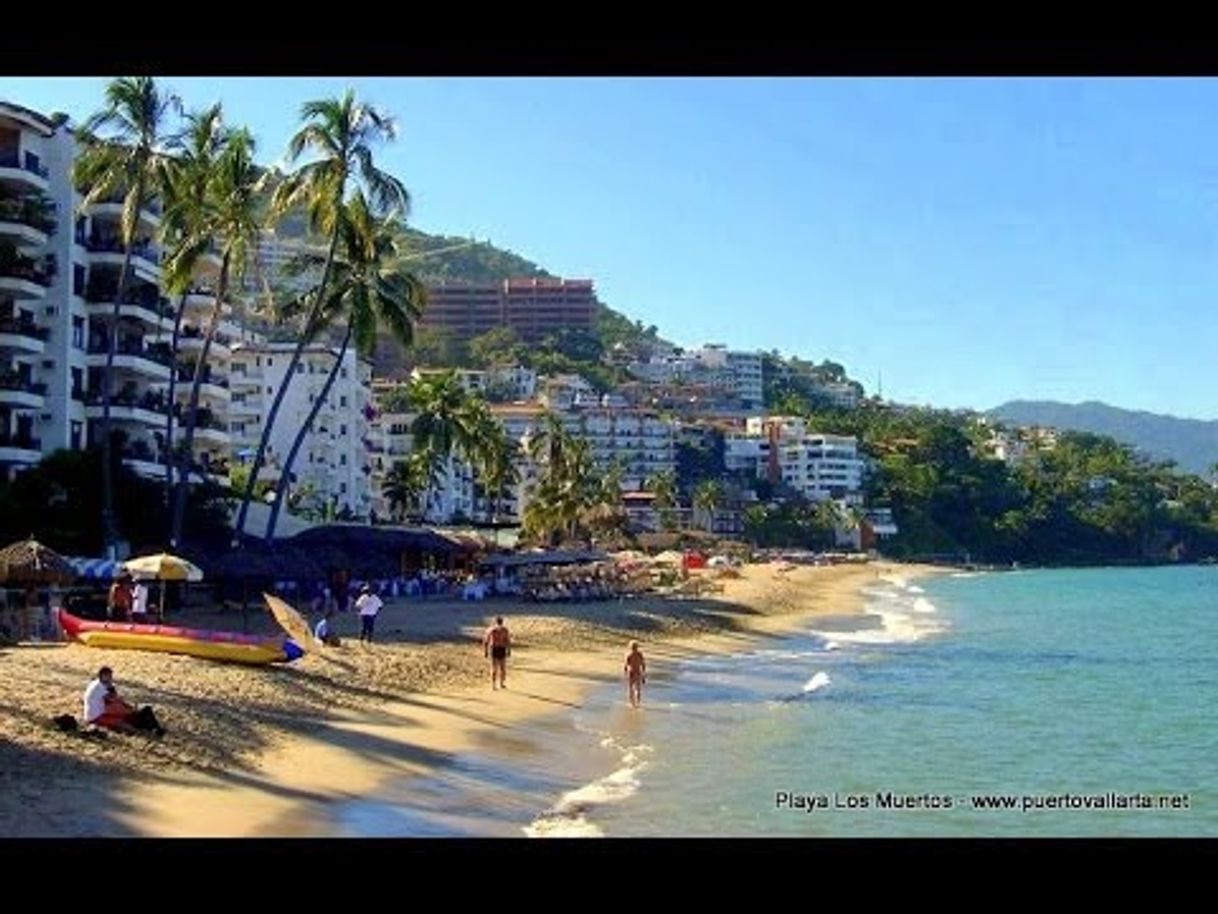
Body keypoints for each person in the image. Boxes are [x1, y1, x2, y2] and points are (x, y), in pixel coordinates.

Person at [82, 667, 165, 737]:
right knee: (127, 724)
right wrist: (129, 710)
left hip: (96, 714)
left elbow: (115, 700)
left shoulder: (98, 683)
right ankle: (149, 730)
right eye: (109, 676)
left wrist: (128, 707)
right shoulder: (101, 689)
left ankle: (153, 728)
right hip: (97, 717)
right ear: (103, 676)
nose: (111, 678)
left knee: (135, 715)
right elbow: (114, 704)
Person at [483, 616, 511, 690]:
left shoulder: (499, 630)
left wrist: (486, 651)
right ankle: (496, 684)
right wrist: (509, 650)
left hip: (498, 649)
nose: (499, 624)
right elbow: (507, 641)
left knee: (499, 668)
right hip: (496, 649)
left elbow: (486, 641)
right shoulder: (493, 630)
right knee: (498, 668)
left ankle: (498, 684)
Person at [624, 641, 647, 708]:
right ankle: (638, 703)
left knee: (630, 688)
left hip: (631, 672)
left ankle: (632, 704)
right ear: (637, 647)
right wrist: (643, 675)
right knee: (638, 689)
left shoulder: (628, 654)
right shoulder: (640, 654)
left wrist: (625, 674)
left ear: (630, 647)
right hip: (638, 672)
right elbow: (643, 665)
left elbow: (625, 665)